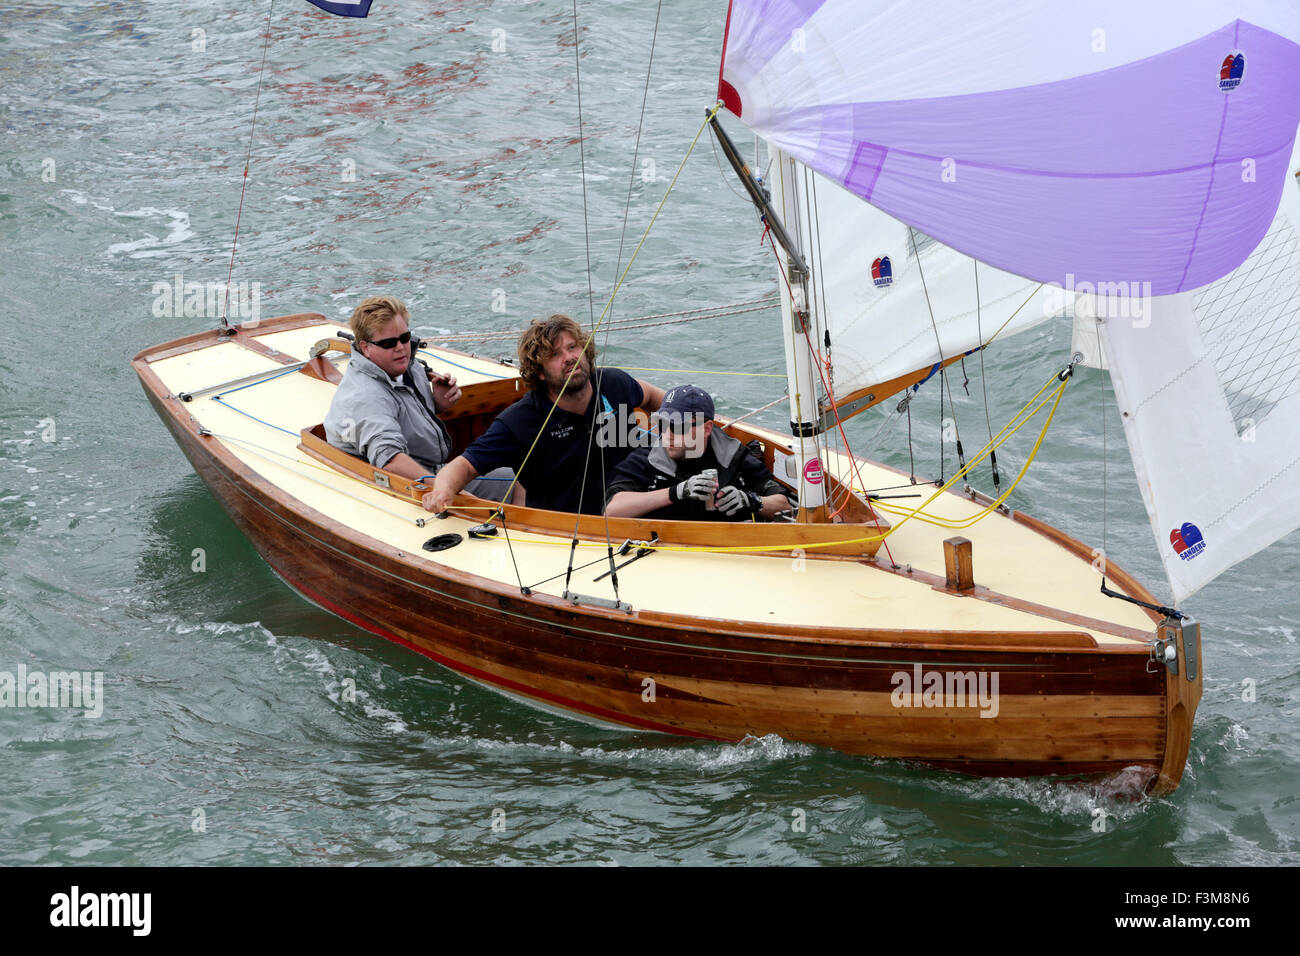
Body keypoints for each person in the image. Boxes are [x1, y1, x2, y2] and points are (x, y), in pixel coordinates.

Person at [423, 314, 665, 514]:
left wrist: (686, 425)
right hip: (566, 533)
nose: (570, 358)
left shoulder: (614, 383)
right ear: (539, 371)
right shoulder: (519, 421)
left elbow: (655, 397)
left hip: (639, 512)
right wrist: (442, 491)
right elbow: (464, 466)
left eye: (573, 347)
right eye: (555, 355)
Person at [323, 295, 516, 501]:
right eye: (389, 343)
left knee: (527, 475)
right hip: (406, 489)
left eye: (405, 338)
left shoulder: (404, 365)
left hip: (434, 471)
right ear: (366, 348)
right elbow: (389, 460)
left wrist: (436, 404)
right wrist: (445, 488)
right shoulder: (364, 396)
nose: (400, 348)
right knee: (523, 482)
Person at [604, 384, 792, 521]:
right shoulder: (647, 458)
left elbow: (785, 506)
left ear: (707, 428)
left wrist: (751, 501)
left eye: (678, 427)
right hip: (664, 552)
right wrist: (675, 493)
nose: (667, 434)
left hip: (727, 552)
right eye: (662, 424)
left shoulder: (733, 455)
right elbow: (611, 511)